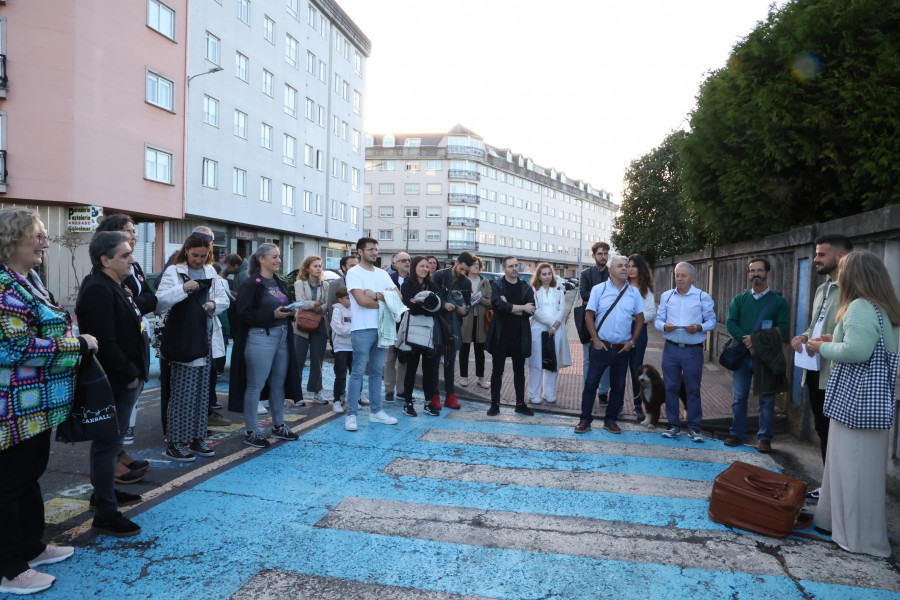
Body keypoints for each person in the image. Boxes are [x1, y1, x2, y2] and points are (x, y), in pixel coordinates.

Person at [0, 208, 92, 595]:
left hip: (36, 407)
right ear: (11, 239)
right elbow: (14, 346)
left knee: (28, 477)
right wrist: (78, 345)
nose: (45, 242)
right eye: (36, 235)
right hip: (13, 409)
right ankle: (9, 568)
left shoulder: (28, 278)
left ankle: (30, 548)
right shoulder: (4, 285)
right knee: (7, 485)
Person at [806, 250, 900, 558]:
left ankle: (854, 538)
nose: (839, 275)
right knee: (858, 472)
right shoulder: (884, 309)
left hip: (854, 406)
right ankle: (843, 528)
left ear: (855, 276)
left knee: (851, 470)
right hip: (870, 406)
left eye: (843, 270)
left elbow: (856, 352)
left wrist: (821, 347)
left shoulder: (860, 306)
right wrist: (833, 340)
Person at [76, 231, 150, 537]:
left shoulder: (115, 285)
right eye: (124, 255)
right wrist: (130, 373)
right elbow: (103, 341)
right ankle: (106, 511)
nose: (131, 259)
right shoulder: (97, 289)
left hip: (127, 378)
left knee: (113, 443)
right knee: (107, 445)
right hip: (116, 381)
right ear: (105, 260)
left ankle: (104, 494)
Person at [155, 233, 229, 462]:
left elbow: (223, 300)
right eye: (195, 255)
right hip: (183, 339)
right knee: (180, 395)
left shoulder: (211, 271)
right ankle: (175, 442)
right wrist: (184, 289)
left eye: (203, 255)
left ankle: (197, 438)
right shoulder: (173, 271)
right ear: (186, 250)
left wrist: (212, 305)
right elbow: (159, 302)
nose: (199, 259)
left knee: (201, 393)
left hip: (205, 339)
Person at [790, 234, 853, 498]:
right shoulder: (822, 289)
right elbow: (816, 324)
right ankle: (829, 487)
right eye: (815, 254)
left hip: (836, 373)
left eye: (821, 254)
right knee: (822, 427)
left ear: (840, 257)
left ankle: (837, 490)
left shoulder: (853, 291)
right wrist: (803, 336)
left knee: (836, 432)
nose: (815, 259)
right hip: (814, 368)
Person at [227, 244, 301, 448]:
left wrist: (290, 312)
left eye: (279, 256)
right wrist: (272, 315)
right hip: (260, 337)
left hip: (282, 335)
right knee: (255, 385)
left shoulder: (279, 281)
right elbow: (243, 314)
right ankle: (251, 431)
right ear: (261, 259)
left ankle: (279, 425)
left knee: (278, 384)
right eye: (274, 257)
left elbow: (281, 304)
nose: (278, 260)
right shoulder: (251, 284)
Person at [94, 214, 157, 448]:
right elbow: (106, 337)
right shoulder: (102, 282)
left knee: (129, 408)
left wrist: (138, 301)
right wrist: (129, 373)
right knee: (116, 417)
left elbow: (151, 299)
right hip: (123, 359)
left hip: (138, 345)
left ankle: (120, 453)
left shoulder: (134, 265)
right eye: (130, 231)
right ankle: (116, 458)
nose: (134, 236)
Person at [723, 258, 790, 453]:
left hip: (766, 358)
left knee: (767, 400)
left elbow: (783, 328)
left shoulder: (779, 302)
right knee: (739, 397)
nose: (756, 274)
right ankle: (736, 433)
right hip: (743, 356)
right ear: (748, 274)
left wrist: (757, 342)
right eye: (752, 271)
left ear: (767, 273)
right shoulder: (739, 299)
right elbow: (731, 323)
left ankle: (764, 438)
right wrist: (748, 341)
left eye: (759, 270)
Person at [576, 255, 645, 434]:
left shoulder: (634, 293)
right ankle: (585, 420)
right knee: (591, 384)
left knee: (619, 386)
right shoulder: (599, 290)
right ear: (610, 270)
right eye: (620, 266)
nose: (625, 269)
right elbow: (588, 316)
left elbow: (640, 319)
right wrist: (596, 341)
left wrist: (632, 342)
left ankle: (610, 420)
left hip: (621, 349)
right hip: (602, 346)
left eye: (627, 266)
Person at [654, 262, 716, 441]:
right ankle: (673, 425)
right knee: (671, 387)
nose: (679, 279)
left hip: (692, 351)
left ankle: (694, 427)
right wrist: (665, 326)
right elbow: (658, 321)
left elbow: (711, 321)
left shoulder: (702, 297)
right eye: (677, 275)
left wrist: (699, 327)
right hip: (671, 348)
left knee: (693, 389)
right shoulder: (667, 296)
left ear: (692, 277)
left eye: (683, 275)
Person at [344, 237, 400, 431]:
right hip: (362, 328)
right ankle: (351, 414)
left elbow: (398, 298)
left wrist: (376, 295)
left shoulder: (383, 274)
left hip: (382, 328)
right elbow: (361, 301)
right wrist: (386, 301)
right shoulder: (353, 272)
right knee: (357, 372)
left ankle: (376, 412)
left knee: (377, 371)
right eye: (370, 249)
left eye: (376, 249)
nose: (375, 252)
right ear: (359, 251)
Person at [485, 256, 536, 416]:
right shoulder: (498, 285)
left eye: (516, 265)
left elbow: (532, 310)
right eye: (511, 266)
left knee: (519, 371)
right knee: (497, 371)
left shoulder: (525, 287)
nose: (515, 268)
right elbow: (499, 306)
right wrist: (521, 308)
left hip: (520, 335)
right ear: (504, 268)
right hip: (501, 335)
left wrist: (510, 307)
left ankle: (520, 404)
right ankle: (495, 405)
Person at [399, 255, 443, 417]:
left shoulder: (433, 284)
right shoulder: (407, 284)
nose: (425, 269)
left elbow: (439, 307)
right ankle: (408, 402)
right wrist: (426, 304)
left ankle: (428, 403)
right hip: (413, 332)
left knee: (430, 370)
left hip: (430, 333)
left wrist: (419, 302)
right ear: (414, 268)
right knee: (411, 368)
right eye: (421, 266)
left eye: (427, 266)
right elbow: (410, 307)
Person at [431, 252, 474, 411]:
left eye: (466, 271)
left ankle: (450, 395)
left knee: (449, 361)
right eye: (462, 269)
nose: (463, 273)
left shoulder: (466, 282)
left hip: (454, 325)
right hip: (437, 323)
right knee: (434, 362)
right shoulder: (439, 276)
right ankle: (434, 396)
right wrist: (443, 304)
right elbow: (430, 298)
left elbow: (468, 303)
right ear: (456, 262)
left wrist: (465, 310)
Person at [527, 263, 571, 404]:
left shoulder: (558, 290)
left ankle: (549, 392)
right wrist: (551, 324)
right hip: (538, 330)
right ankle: (534, 393)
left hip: (556, 331)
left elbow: (562, 309)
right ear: (539, 276)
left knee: (553, 361)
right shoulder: (533, 291)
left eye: (549, 273)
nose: (547, 276)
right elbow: (536, 310)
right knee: (536, 362)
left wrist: (555, 326)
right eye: (544, 274)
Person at [293, 255, 328, 405]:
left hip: (320, 324)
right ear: (307, 268)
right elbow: (300, 303)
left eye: (320, 266)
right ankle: (296, 394)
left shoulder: (325, 285)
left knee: (317, 360)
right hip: (301, 324)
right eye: (315, 266)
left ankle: (317, 392)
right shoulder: (300, 283)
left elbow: (328, 304)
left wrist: (316, 304)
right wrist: (316, 303)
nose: (318, 268)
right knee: (298, 360)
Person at [579, 242, 611, 406]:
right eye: (600, 254)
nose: (603, 257)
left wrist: (592, 300)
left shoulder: (612, 274)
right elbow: (582, 293)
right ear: (593, 256)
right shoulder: (586, 274)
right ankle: (588, 390)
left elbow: (613, 295)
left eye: (606, 253)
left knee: (606, 359)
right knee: (587, 360)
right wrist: (602, 298)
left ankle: (603, 392)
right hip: (588, 322)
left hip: (607, 323)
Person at [626, 254, 656, 420]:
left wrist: (636, 315)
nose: (630, 269)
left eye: (633, 266)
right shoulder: (622, 286)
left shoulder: (646, 290)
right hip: (622, 330)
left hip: (640, 330)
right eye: (628, 266)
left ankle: (638, 406)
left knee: (636, 370)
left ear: (640, 268)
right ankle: (616, 404)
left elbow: (652, 312)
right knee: (619, 368)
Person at [459, 255, 492, 389]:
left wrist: (480, 300)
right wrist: (467, 298)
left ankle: (481, 378)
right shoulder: (462, 280)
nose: (476, 267)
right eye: (473, 264)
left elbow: (490, 302)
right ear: (467, 267)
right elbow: (456, 299)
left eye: (478, 264)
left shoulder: (485, 282)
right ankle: (464, 377)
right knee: (464, 349)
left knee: (480, 351)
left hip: (481, 320)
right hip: (466, 319)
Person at [383, 252, 410, 403]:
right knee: (390, 358)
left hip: (406, 324)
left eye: (409, 260)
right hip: (391, 323)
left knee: (404, 358)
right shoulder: (388, 279)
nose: (407, 263)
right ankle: (388, 390)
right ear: (396, 264)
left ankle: (401, 390)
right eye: (403, 260)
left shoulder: (412, 280)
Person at [330, 286, 353, 413]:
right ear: (340, 299)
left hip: (353, 347)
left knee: (355, 374)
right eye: (346, 297)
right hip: (340, 347)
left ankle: (354, 398)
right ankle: (337, 400)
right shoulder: (337, 311)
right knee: (340, 374)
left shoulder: (356, 309)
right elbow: (338, 328)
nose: (349, 300)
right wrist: (352, 330)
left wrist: (348, 329)